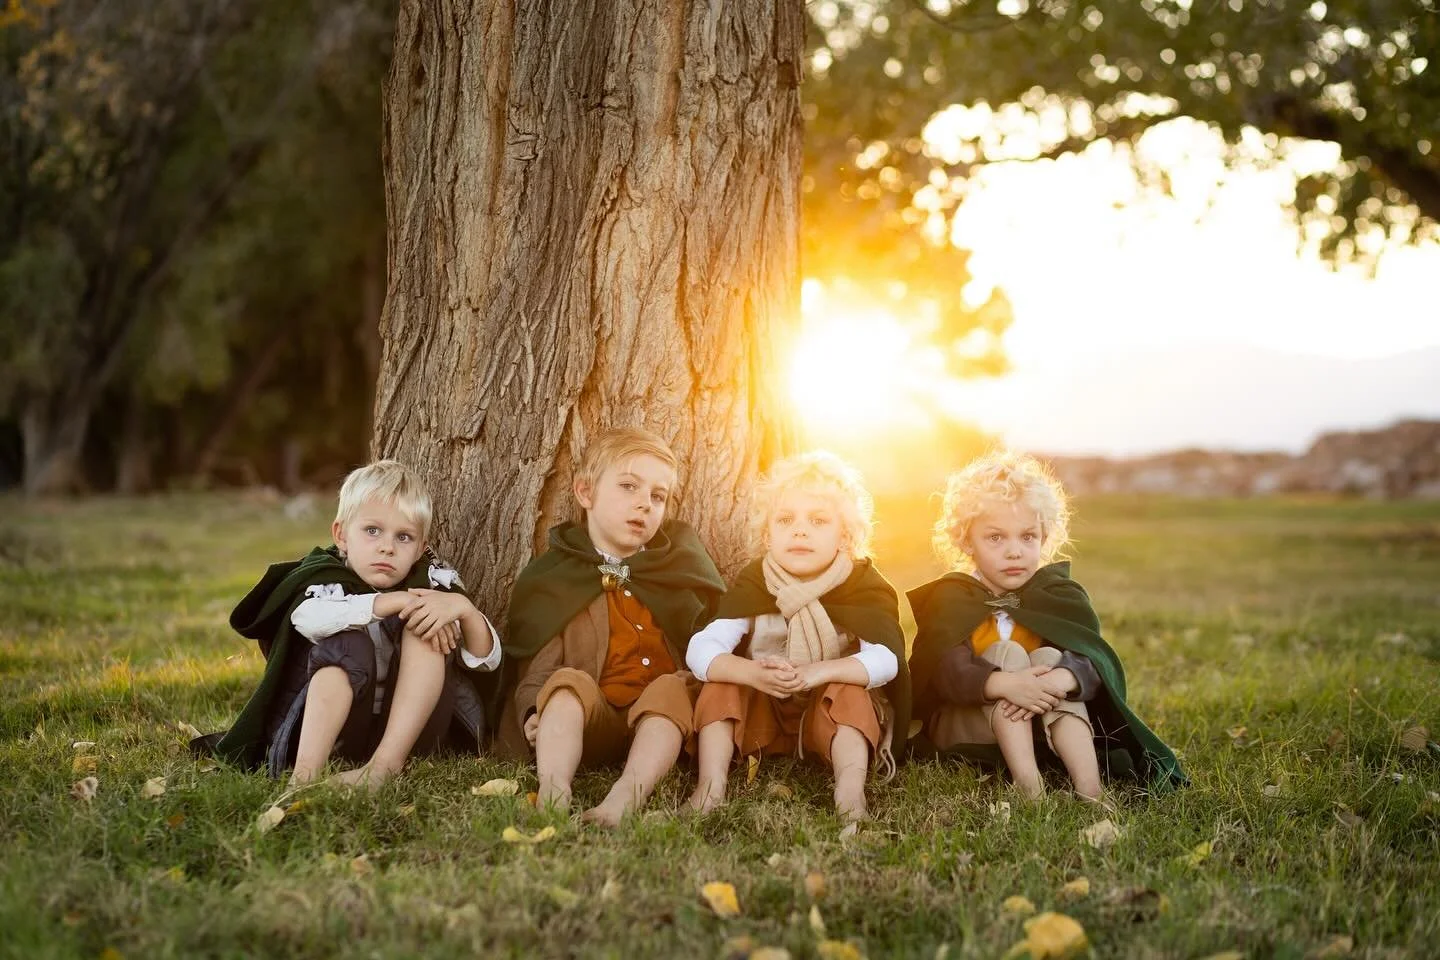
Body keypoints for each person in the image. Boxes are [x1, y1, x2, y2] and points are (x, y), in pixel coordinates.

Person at [204, 460, 501, 788]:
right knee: (347, 643)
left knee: (426, 628)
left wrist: (465, 610)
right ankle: (304, 777)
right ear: (341, 535)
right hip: (334, 730)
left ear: (421, 548)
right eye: (372, 531)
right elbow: (307, 620)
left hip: (409, 734)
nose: (387, 547)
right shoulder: (324, 580)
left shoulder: (433, 588)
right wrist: (391, 602)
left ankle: (383, 768)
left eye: (404, 537)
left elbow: (484, 662)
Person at [909, 451, 1185, 799]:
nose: (1014, 551)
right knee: (1007, 652)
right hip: (970, 726)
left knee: (1053, 660)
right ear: (966, 540)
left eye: (1027, 537)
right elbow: (946, 672)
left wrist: (1059, 680)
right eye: (995, 538)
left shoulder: (1056, 595)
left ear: (1044, 536)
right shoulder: (953, 597)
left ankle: (1091, 789)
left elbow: (1091, 659)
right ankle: (1030, 787)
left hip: (1042, 722)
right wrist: (1006, 684)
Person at [500, 428, 725, 826]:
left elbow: (707, 645)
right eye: (628, 486)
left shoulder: (676, 568)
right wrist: (533, 710)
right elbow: (538, 666)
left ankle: (625, 796)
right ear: (585, 493)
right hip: (593, 720)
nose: (644, 504)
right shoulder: (556, 578)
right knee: (565, 683)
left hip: (659, 722)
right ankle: (554, 788)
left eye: (658, 496)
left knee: (672, 688)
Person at [686, 452, 909, 822]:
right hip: (764, 710)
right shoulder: (756, 582)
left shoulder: (861, 585)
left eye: (818, 521)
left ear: (845, 535)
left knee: (852, 691)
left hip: (826, 716)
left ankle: (850, 794)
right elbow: (701, 649)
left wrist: (819, 672)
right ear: (767, 534)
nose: (800, 530)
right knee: (722, 680)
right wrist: (751, 673)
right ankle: (710, 787)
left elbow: (886, 660)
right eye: (785, 519)